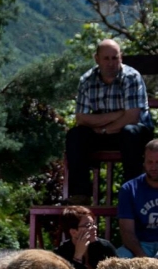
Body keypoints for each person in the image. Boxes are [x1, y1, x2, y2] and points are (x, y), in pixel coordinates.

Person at [65, 39, 154, 204]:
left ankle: (132, 193)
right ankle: (80, 194)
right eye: (106, 58)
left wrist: (103, 127)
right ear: (97, 59)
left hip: (134, 131)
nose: (111, 63)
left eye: (115, 58)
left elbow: (132, 117)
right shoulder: (87, 80)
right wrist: (117, 115)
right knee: (75, 135)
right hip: (105, 132)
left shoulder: (131, 77)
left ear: (121, 58)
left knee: (130, 133)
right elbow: (81, 119)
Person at [117, 139, 158, 258]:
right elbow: (127, 231)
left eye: (157, 162)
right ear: (144, 162)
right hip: (140, 244)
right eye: (150, 162)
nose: (154, 167)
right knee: (118, 260)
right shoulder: (129, 189)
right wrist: (142, 257)